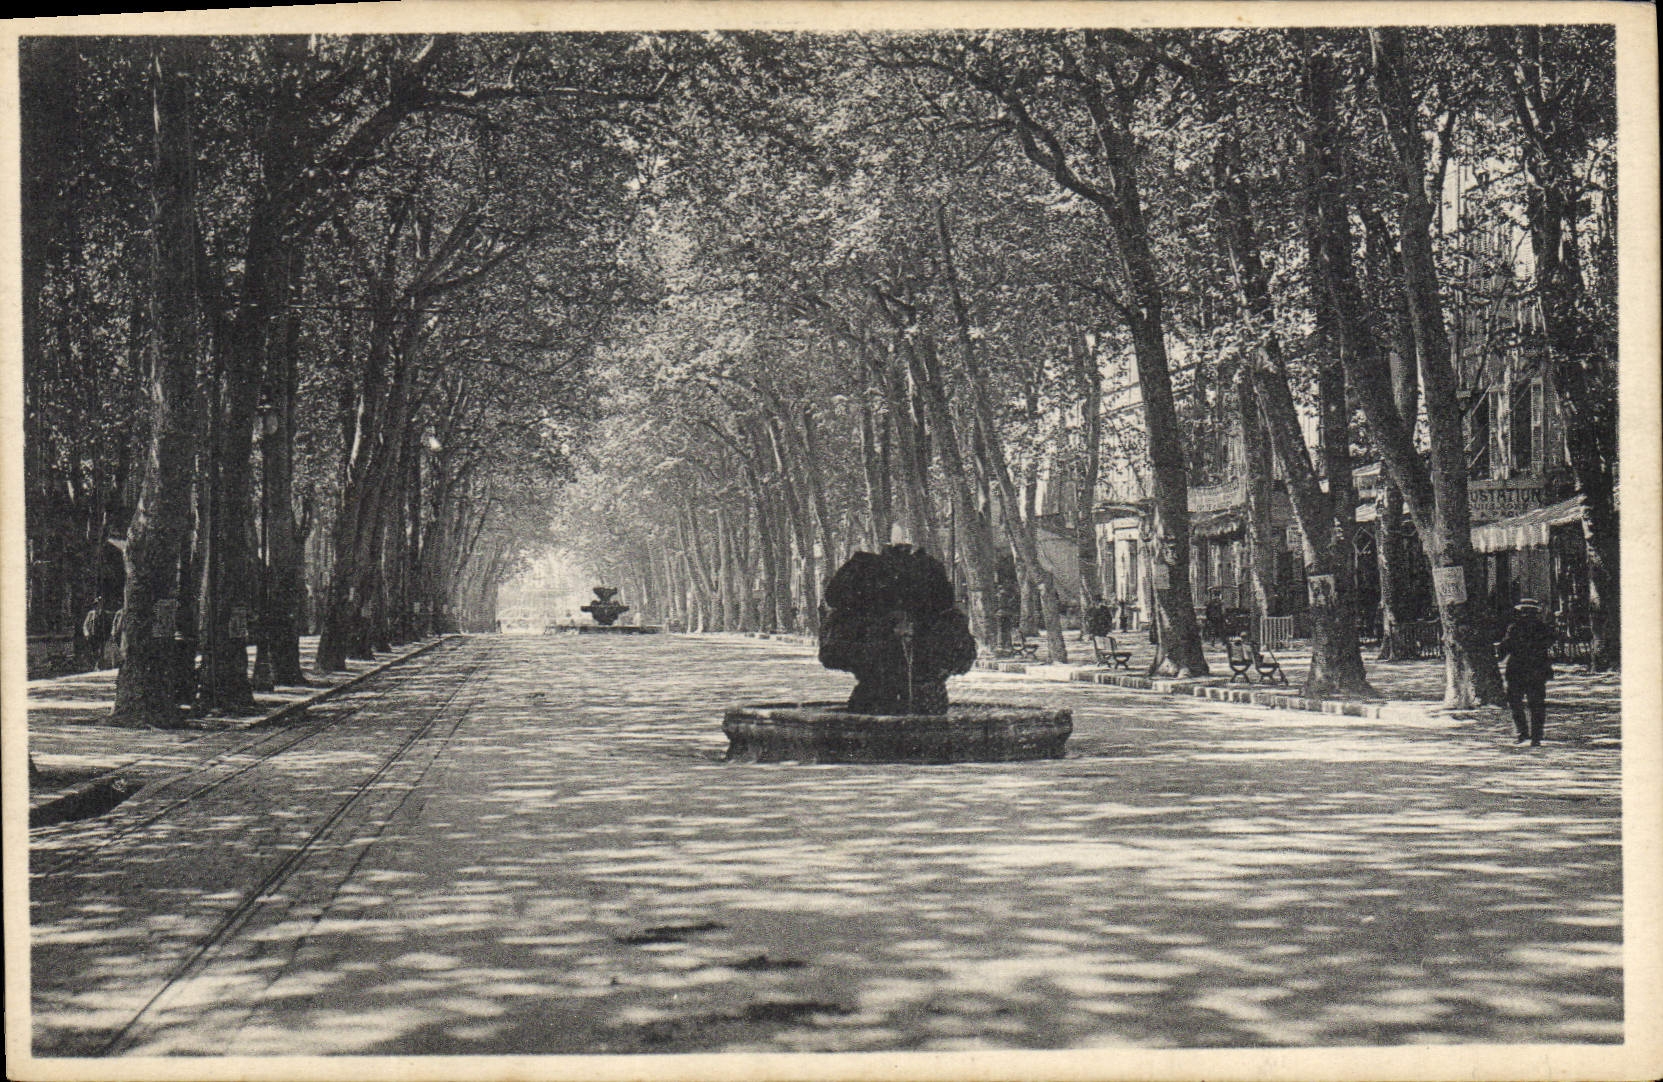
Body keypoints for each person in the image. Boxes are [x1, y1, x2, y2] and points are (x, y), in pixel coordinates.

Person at [1496, 598, 1558, 746]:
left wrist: (1500, 655)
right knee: (1536, 704)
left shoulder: (1514, 628)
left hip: (1517, 670)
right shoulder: (1543, 628)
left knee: (1516, 703)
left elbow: (1506, 646)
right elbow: (1551, 642)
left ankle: (1522, 733)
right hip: (1537, 669)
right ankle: (1536, 736)